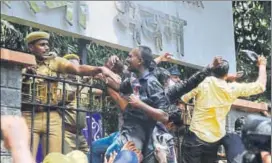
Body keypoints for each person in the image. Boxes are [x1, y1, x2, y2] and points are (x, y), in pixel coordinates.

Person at [21, 31, 119, 158]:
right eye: (42, 45)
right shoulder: (23, 62)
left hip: (53, 116)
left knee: (54, 159)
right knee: (25, 158)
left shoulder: (55, 62)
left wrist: (100, 68)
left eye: (47, 44)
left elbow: (78, 70)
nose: (46, 48)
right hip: (30, 115)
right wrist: (26, 73)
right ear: (31, 47)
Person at [180, 56, 267, 163]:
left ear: (212, 69)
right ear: (225, 74)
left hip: (196, 137)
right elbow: (260, 86)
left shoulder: (203, 82)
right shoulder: (233, 88)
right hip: (214, 141)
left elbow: (183, 97)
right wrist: (262, 65)